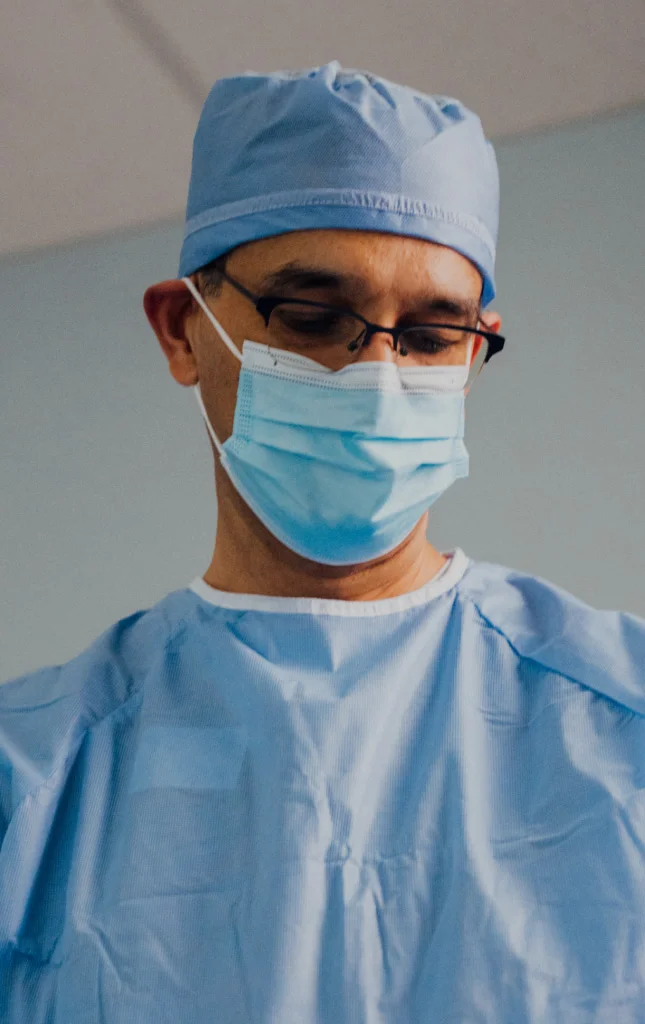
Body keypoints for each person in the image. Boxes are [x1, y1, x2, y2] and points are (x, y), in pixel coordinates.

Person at [1, 61, 644, 1024]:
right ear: (183, 330)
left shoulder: (622, 723)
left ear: (475, 351)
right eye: (312, 318)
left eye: (430, 336)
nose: (375, 376)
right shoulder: (35, 778)